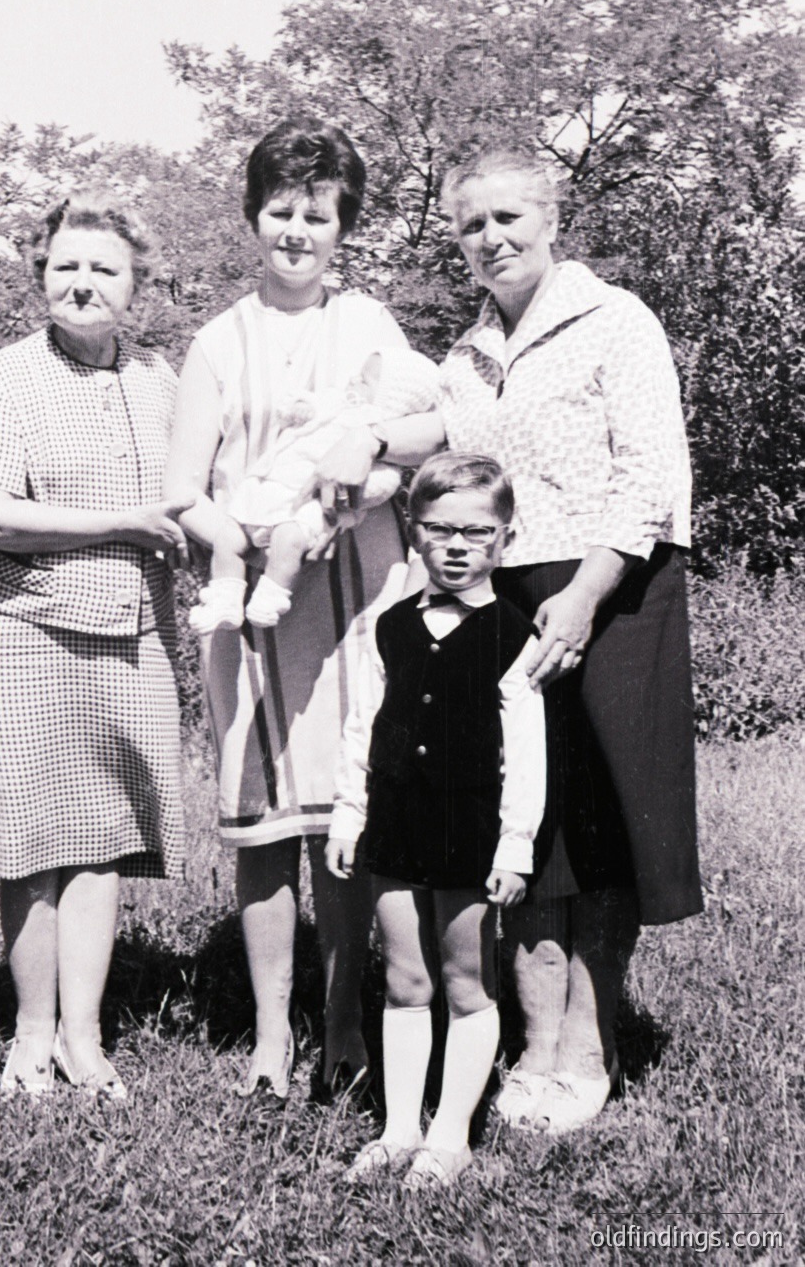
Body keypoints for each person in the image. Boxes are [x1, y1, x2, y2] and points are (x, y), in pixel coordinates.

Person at [311, 146, 703, 1133]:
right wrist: (362, 439)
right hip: (507, 593)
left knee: (601, 828)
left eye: (506, 219)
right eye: (470, 225)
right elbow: (444, 431)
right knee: (522, 819)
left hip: (616, 586)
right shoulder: (472, 349)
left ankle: (589, 1043)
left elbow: (651, 475)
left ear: (550, 216)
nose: (489, 240)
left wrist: (584, 597)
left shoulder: (617, 322)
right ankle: (534, 1041)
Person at [165, 118, 410, 1100]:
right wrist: (236, 539)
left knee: (343, 819)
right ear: (253, 216)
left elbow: (420, 446)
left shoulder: (371, 325)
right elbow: (184, 487)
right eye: (281, 211)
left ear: (343, 223)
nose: (298, 230)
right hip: (257, 614)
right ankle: (272, 1037)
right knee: (265, 829)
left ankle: (345, 1022)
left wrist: (362, 483)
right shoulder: (219, 341)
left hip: (355, 600)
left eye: (319, 213)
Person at [0, 191, 188, 1099]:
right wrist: (124, 521)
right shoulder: (5, 376)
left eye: (102, 269)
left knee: (100, 841)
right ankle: (29, 1034)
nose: (81, 283)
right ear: (41, 275)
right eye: (65, 267)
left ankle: (85, 1041)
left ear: (136, 284)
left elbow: (203, 496)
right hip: (14, 629)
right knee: (30, 842)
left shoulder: (161, 383)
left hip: (127, 636)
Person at [327, 453, 545, 1188]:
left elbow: (526, 752)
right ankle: (397, 1128)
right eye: (439, 529)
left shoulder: (514, 636)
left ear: (504, 537)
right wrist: (347, 814)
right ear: (413, 531)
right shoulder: (388, 626)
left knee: (463, 979)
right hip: (393, 825)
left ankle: (449, 1133)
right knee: (403, 979)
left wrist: (514, 846)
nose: (456, 545)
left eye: (475, 532)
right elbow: (364, 723)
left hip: (468, 833)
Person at [188, 345, 439, 632]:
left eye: (365, 381)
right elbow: (300, 409)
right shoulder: (336, 404)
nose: (353, 380)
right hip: (268, 488)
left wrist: (355, 493)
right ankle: (225, 597)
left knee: (289, 538)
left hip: (309, 501)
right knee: (228, 536)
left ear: (390, 400)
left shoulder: (376, 427)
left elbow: (384, 482)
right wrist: (299, 409)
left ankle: (272, 595)